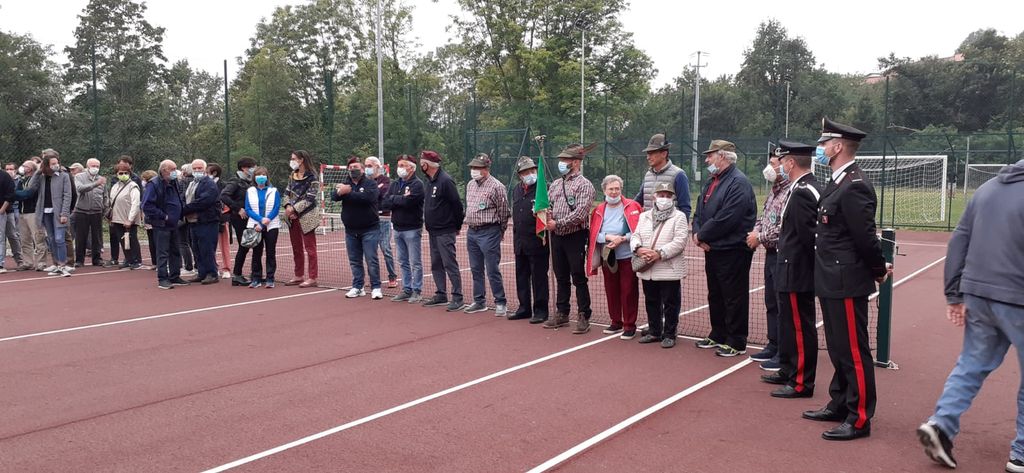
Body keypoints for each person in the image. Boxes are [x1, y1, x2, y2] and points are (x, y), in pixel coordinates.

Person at [916, 159, 1024, 472]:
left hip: (978, 294)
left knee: (971, 365)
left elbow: (959, 239)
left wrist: (954, 294)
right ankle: (1021, 453)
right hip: (1018, 296)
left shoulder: (988, 188)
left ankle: (941, 425)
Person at [802, 117, 891, 441]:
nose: (821, 148)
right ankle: (840, 403)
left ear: (838, 146)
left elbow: (865, 238)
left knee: (853, 350)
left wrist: (878, 270)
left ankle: (860, 417)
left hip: (846, 279)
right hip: (830, 277)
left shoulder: (855, 185)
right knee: (838, 347)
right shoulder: (837, 181)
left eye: (824, 143)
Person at [759, 141, 821, 399]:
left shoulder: (805, 191)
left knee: (800, 327)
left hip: (798, 270)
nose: (779, 166)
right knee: (787, 322)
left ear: (791, 163)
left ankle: (801, 382)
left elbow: (809, 237)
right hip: (787, 267)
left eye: (782, 161)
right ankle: (788, 369)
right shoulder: (796, 188)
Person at [691, 140, 757, 356]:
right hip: (713, 249)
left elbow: (728, 218)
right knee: (716, 294)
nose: (706, 160)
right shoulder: (712, 181)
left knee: (733, 296)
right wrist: (696, 234)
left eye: (710, 155)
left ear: (722, 157)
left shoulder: (739, 183)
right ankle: (718, 333)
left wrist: (702, 235)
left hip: (733, 250)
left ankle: (736, 340)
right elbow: (699, 211)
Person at [543, 144, 596, 333]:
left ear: (575, 162)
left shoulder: (584, 185)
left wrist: (558, 223)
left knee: (578, 276)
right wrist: (545, 214)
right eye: (561, 160)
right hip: (556, 236)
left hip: (575, 236)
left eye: (565, 160)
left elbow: (581, 214)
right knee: (561, 276)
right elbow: (549, 204)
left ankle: (583, 315)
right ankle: (562, 312)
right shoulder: (556, 184)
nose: (561, 163)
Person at [632, 182, 689, 348]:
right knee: (651, 300)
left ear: (672, 198)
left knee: (670, 303)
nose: (664, 198)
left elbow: (680, 241)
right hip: (648, 268)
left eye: (668, 196)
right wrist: (638, 248)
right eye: (661, 195)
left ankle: (670, 334)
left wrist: (659, 253)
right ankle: (654, 331)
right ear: (654, 197)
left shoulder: (679, 216)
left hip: (668, 268)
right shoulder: (644, 216)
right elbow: (636, 235)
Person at [746, 154, 790, 369]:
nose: (769, 168)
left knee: (783, 305)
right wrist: (756, 232)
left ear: (784, 165)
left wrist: (760, 237)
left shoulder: (791, 192)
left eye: (773, 164)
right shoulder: (774, 191)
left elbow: (784, 227)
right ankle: (773, 344)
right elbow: (764, 218)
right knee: (771, 302)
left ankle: (784, 351)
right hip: (770, 254)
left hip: (783, 254)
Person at [587, 174, 642, 339]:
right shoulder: (598, 210)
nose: (614, 192)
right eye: (610, 189)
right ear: (604, 190)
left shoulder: (633, 206)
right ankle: (616, 321)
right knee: (611, 290)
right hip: (608, 257)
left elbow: (640, 231)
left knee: (628, 291)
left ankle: (629, 325)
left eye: (617, 188)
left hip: (628, 256)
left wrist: (623, 238)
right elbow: (594, 234)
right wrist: (608, 237)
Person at [462, 153, 511, 315]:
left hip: (489, 231)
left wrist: (501, 230)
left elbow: (504, 212)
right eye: (472, 167)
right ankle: (479, 301)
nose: (474, 170)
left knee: (492, 269)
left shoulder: (497, 186)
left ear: (486, 168)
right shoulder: (470, 185)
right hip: (472, 231)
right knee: (475, 268)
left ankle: (500, 302)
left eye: (477, 167)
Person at [418, 150, 466, 311]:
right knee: (436, 264)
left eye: (422, 162)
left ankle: (457, 297)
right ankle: (441, 294)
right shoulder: (429, 181)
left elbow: (457, 205)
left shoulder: (445, 181)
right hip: (433, 231)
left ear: (428, 164)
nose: (420, 165)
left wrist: (457, 226)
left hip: (445, 230)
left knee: (449, 263)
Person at [333, 156, 382, 299]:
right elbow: (334, 197)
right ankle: (358, 287)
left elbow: (367, 198)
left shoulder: (370, 183)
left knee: (371, 260)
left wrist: (348, 193)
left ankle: (376, 287)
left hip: (370, 229)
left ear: (362, 169)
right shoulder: (345, 184)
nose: (353, 169)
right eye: (350, 168)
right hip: (350, 230)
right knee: (354, 261)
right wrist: (340, 192)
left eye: (356, 167)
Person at [509, 157, 549, 324]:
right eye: (525, 172)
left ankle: (541, 310)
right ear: (520, 175)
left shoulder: (543, 190)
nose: (530, 174)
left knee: (539, 278)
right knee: (521, 276)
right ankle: (524, 308)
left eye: (532, 170)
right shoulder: (517, 190)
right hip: (520, 241)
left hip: (537, 241)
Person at [382, 154, 425, 303]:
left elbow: (409, 203)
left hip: (412, 228)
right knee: (402, 261)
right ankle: (407, 289)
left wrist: (395, 199)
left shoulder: (417, 184)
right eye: (399, 165)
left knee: (415, 262)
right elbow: (385, 202)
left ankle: (417, 291)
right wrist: (400, 198)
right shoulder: (395, 184)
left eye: (403, 165)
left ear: (411, 168)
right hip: (397, 228)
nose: (399, 168)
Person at [26, 149, 74, 277]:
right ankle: (57, 264)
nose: (55, 165)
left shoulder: (64, 176)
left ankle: (63, 265)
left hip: (59, 213)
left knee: (59, 238)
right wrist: (38, 172)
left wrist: (64, 213)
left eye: (56, 163)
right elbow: (31, 187)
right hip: (45, 212)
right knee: (51, 239)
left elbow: (67, 195)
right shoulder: (42, 177)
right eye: (52, 164)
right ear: (46, 165)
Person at [142, 160, 189, 289]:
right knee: (163, 252)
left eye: (175, 169)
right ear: (164, 170)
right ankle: (162, 278)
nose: (175, 172)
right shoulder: (154, 184)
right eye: (172, 169)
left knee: (175, 250)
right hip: (161, 224)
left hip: (174, 223)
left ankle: (175, 276)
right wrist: (164, 216)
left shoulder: (174, 182)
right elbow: (146, 205)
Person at [181, 159, 222, 285]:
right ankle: (202, 272)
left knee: (207, 248)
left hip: (207, 220)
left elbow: (204, 201)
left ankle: (212, 273)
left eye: (199, 168)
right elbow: (184, 197)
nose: (197, 170)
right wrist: (182, 208)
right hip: (193, 221)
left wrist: (185, 209)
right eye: (194, 168)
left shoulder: (209, 184)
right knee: (196, 248)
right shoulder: (192, 183)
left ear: (205, 169)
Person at [283, 150, 320, 288]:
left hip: (307, 216)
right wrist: (287, 206)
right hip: (292, 217)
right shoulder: (292, 175)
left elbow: (310, 198)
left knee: (310, 248)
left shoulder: (313, 177)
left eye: (293, 158)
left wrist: (294, 209)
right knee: (296, 247)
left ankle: (312, 277)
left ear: (302, 160)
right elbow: (286, 193)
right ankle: (298, 275)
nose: (291, 161)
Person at [635, 133, 691, 217]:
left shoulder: (678, 175)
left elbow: (685, 207)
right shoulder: (648, 175)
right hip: (649, 223)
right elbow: (638, 201)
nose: (648, 157)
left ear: (664, 154)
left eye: (651, 153)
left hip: (670, 224)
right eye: (647, 154)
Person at [221, 157, 257, 285]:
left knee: (255, 244)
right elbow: (224, 195)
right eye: (252, 167)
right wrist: (237, 208)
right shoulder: (235, 181)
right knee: (244, 245)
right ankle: (237, 275)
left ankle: (255, 273)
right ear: (244, 168)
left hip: (252, 217)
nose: (254, 169)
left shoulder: (252, 181)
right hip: (239, 218)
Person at [245, 167, 281, 288]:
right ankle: (256, 278)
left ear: (267, 177)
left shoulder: (274, 190)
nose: (261, 177)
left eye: (263, 175)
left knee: (270, 252)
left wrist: (267, 220)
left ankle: (270, 278)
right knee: (256, 253)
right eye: (258, 175)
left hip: (272, 225)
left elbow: (276, 207)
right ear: (254, 177)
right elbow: (248, 209)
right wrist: (260, 220)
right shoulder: (250, 191)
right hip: (255, 226)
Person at [365, 156, 398, 288]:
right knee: (369, 251)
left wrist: (371, 193)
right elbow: (365, 197)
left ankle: (392, 276)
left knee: (385, 248)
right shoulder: (365, 181)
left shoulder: (386, 180)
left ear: (377, 167)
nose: (367, 168)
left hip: (384, 219)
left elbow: (380, 195)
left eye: (370, 166)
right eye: (366, 166)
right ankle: (373, 278)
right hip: (369, 219)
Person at [107, 161, 143, 270]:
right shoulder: (115, 186)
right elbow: (111, 201)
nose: (123, 175)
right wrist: (111, 217)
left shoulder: (133, 186)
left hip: (128, 218)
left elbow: (135, 203)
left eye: (125, 173)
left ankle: (136, 260)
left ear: (129, 173)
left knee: (132, 239)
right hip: (117, 218)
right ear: (117, 174)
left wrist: (130, 219)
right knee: (122, 240)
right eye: (121, 173)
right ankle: (128, 259)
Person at [73, 158, 107, 267]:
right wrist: (96, 184)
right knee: (80, 237)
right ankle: (79, 260)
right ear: (87, 166)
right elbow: (80, 188)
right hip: (81, 211)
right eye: (93, 166)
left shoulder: (101, 179)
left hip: (97, 211)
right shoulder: (79, 177)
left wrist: (105, 209)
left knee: (97, 237)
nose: (95, 168)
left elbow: (105, 196)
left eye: (97, 166)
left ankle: (97, 259)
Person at [16, 160, 49, 271]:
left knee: (38, 238)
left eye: (25, 166)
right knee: (24, 239)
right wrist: (19, 194)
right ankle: (28, 262)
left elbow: (29, 193)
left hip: (33, 212)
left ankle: (41, 263)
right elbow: (17, 193)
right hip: (22, 212)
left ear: (30, 168)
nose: (22, 167)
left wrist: (19, 194)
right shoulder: (21, 180)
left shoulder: (37, 179)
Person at [207, 163, 232, 278]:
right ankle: (214, 268)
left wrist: (223, 216)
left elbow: (227, 202)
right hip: (208, 220)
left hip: (222, 220)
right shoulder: (204, 185)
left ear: (214, 173)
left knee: (224, 245)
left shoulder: (224, 185)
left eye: (206, 172)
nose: (204, 174)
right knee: (210, 246)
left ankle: (226, 269)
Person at [3, 163, 24, 270]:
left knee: (12, 235)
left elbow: (10, 195)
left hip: (9, 211)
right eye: (7, 169)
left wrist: (3, 208)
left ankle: (19, 260)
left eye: (11, 169)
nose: (9, 171)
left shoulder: (6, 178)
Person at [176, 162, 196, 276]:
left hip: (183, 214)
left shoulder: (183, 182)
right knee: (193, 242)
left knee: (183, 242)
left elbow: (181, 197)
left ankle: (188, 267)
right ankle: (197, 265)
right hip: (193, 215)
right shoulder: (196, 182)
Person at [140, 170, 159, 268]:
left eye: (144, 179)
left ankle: (159, 262)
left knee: (157, 241)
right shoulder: (145, 189)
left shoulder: (154, 189)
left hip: (155, 219)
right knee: (151, 241)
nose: (142, 181)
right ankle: (154, 262)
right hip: (147, 219)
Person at [0, 164, 14, 272]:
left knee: (0, 237)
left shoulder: (4, 176)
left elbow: (10, 194)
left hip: (1, 210)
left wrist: (2, 209)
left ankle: (0, 263)